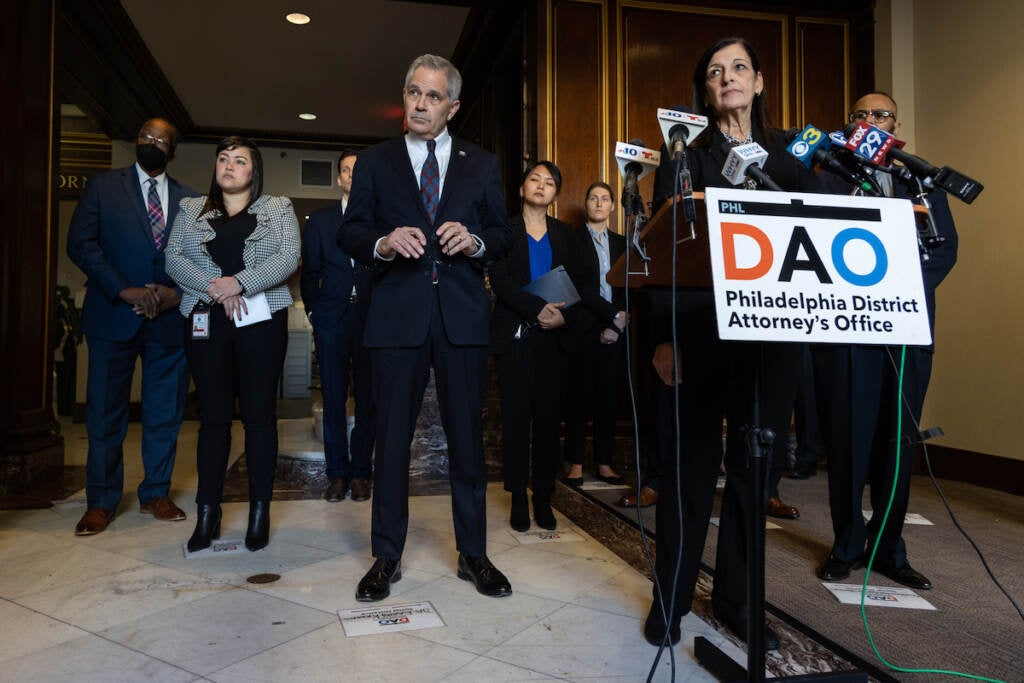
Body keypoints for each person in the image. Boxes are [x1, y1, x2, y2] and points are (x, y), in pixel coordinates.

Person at [643, 37, 820, 651]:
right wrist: (665, 340)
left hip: (775, 339)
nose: (728, 78)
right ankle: (670, 597)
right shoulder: (684, 157)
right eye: (715, 71)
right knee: (690, 471)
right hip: (700, 333)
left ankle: (738, 601)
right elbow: (663, 255)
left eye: (739, 68)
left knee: (754, 472)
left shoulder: (791, 157)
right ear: (706, 90)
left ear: (760, 81)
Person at [339, 54, 514, 601]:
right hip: (395, 317)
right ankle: (385, 556)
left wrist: (478, 242)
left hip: (461, 317)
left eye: (433, 96)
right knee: (391, 443)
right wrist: (383, 243)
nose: (420, 103)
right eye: (414, 91)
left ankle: (474, 554)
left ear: (452, 106)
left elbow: (502, 235)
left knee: (466, 442)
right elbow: (351, 233)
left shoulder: (481, 164)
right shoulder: (374, 161)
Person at [815, 92, 958, 590]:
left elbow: (945, 251)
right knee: (850, 440)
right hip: (848, 329)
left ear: (895, 126)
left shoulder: (920, 179)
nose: (871, 121)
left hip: (907, 329)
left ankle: (889, 548)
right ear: (849, 124)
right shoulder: (825, 176)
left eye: (881, 116)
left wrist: (897, 294)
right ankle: (847, 545)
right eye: (861, 115)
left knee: (897, 444)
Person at [164, 136, 300, 552]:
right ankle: (209, 512)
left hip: (261, 321)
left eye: (239, 161)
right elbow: (173, 258)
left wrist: (240, 282)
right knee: (214, 419)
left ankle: (260, 512)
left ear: (253, 172)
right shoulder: (191, 209)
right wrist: (216, 288)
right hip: (205, 318)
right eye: (223, 159)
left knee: (259, 418)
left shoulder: (278, 208)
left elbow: (289, 256)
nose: (229, 165)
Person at [67, 118, 198, 536]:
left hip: (168, 322)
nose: (152, 143)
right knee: (105, 415)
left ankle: (155, 493)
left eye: (161, 140)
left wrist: (175, 293)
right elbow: (81, 244)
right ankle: (101, 502)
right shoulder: (104, 187)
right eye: (145, 136)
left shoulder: (190, 200)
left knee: (164, 414)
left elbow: (199, 258)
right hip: (112, 315)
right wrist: (123, 290)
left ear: (173, 151)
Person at [490, 161, 580, 532]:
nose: (541, 186)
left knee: (547, 421)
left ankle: (543, 497)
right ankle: (516, 498)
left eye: (549, 183)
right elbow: (501, 282)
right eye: (534, 179)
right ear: (522, 186)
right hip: (516, 337)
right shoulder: (503, 231)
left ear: (556, 194)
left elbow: (581, 286)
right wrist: (537, 309)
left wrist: (563, 318)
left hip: (554, 340)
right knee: (515, 420)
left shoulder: (566, 235)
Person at [301, 150, 375, 503]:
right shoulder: (319, 221)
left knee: (367, 401)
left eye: (356, 170)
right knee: (332, 399)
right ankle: (337, 475)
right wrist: (315, 313)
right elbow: (310, 273)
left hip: (370, 320)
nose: (351, 175)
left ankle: (361, 473)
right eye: (345, 170)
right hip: (330, 320)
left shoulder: (380, 221)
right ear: (339, 179)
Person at [564, 181, 628, 488]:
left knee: (608, 399)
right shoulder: (572, 240)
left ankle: (604, 463)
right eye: (593, 198)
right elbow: (580, 288)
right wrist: (610, 316)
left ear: (613, 206)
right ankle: (575, 463)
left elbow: (628, 287)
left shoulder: (623, 243)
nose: (599, 203)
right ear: (586, 204)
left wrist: (617, 324)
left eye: (605, 199)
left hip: (616, 332)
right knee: (580, 397)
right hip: (584, 330)